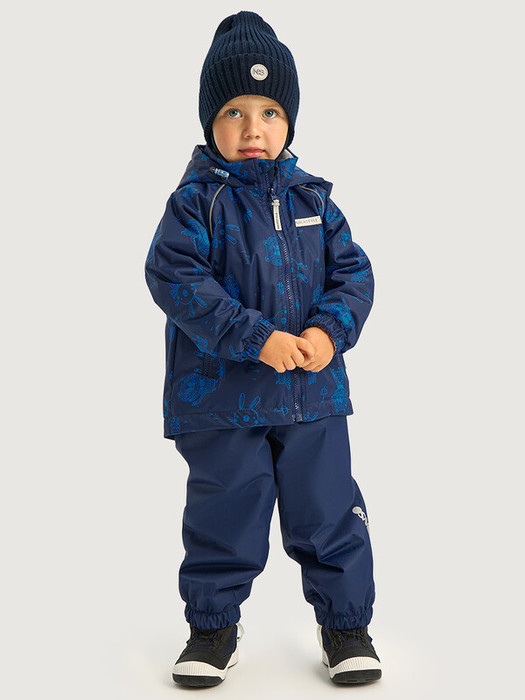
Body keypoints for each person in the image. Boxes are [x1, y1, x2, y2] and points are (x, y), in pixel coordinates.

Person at [145, 10, 382, 688]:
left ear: (290, 122)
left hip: (311, 396)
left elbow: (354, 275)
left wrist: (325, 332)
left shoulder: (315, 200)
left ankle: (345, 626)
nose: (253, 129)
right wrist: (256, 339)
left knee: (328, 509)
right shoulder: (195, 203)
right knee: (225, 512)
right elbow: (175, 277)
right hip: (222, 400)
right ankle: (212, 628)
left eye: (270, 111)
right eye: (234, 112)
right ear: (209, 123)